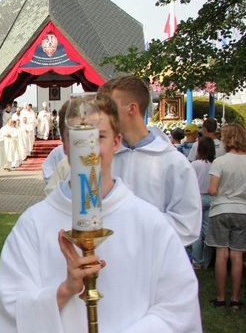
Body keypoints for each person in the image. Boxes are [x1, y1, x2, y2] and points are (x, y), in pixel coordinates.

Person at [0, 94, 203, 333]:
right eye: (78, 137)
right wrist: (64, 291)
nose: (88, 149)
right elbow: (9, 304)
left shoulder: (149, 223)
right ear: (63, 143)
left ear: (117, 142)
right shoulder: (34, 223)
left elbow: (178, 306)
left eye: (100, 137)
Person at [99, 75, 201, 246]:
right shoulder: (105, 158)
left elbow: (187, 225)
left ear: (131, 109)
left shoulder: (173, 162)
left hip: (155, 262)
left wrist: (131, 222)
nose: (102, 116)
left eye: (109, 108)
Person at [205, 124, 246, 311]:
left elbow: (212, 190)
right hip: (242, 210)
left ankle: (221, 298)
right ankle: (236, 299)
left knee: (222, 255)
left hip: (221, 209)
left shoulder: (220, 162)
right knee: (237, 255)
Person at [190, 137, 216, 271]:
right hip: (211, 197)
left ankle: (197, 261)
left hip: (197, 197)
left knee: (197, 232)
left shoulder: (195, 165)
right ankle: (207, 261)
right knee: (208, 232)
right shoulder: (215, 164)